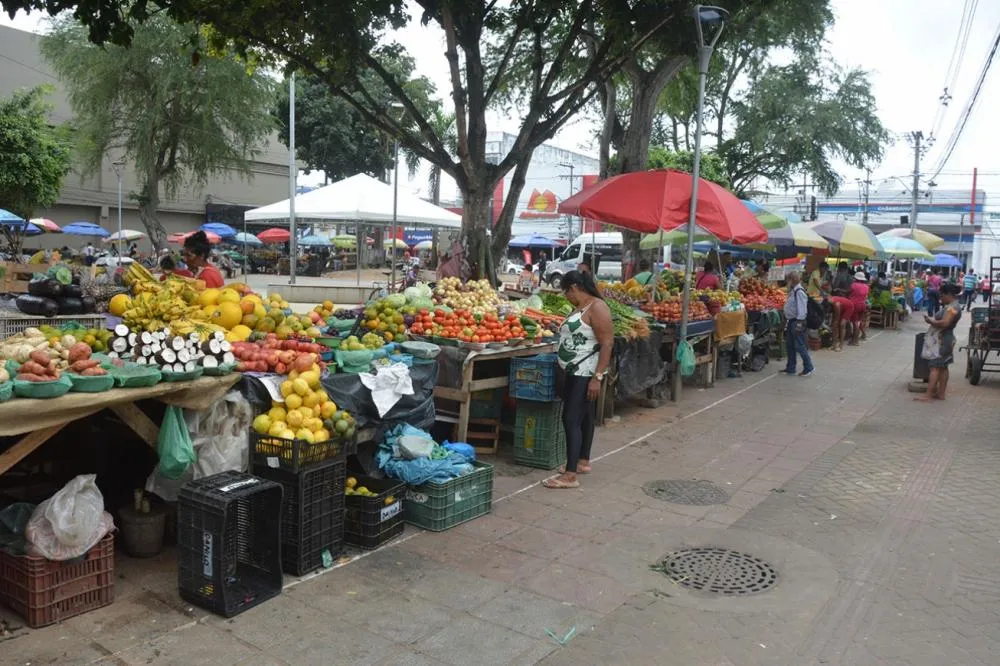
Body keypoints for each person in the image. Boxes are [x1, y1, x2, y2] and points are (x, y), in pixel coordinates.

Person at [543, 270, 614, 489]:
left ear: (573, 288)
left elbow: (607, 343)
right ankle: (583, 461)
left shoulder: (597, 307)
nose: (565, 297)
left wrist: (597, 377)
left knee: (570, 419)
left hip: (585, 372)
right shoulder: (582, 307)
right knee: (584, 418)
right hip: (575, 371)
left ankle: (570, 475)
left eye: (566, 292)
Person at [917, 282, 962, 402]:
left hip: (942, 339)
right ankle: (941, 393)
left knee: (935, 367)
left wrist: (931, 321)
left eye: (942, 296)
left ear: (948, 294)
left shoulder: (952, 307)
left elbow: (945, 323)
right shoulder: (954, 305)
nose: (941, 299)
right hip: (946, 338)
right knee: (943, 367)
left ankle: (928, 394)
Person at [781, 271, 814, 376]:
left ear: (793, 280)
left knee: (799, 345)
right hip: (792, 321)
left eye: (788, 279)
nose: (787, 282)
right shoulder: (793, 290)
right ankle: (790, 368)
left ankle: (809, 367)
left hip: (797, 321)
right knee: (790, 345)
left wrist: (799, 324)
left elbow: (802, 309)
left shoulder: (799, 291)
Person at [848, 271, 870, 344]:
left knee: (855, 323)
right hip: (862, 305)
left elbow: (848, 292)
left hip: (854, 305)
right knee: (858, 321)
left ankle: (855, 340)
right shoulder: (866, 286)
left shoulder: (853, 285)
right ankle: (860, 336)